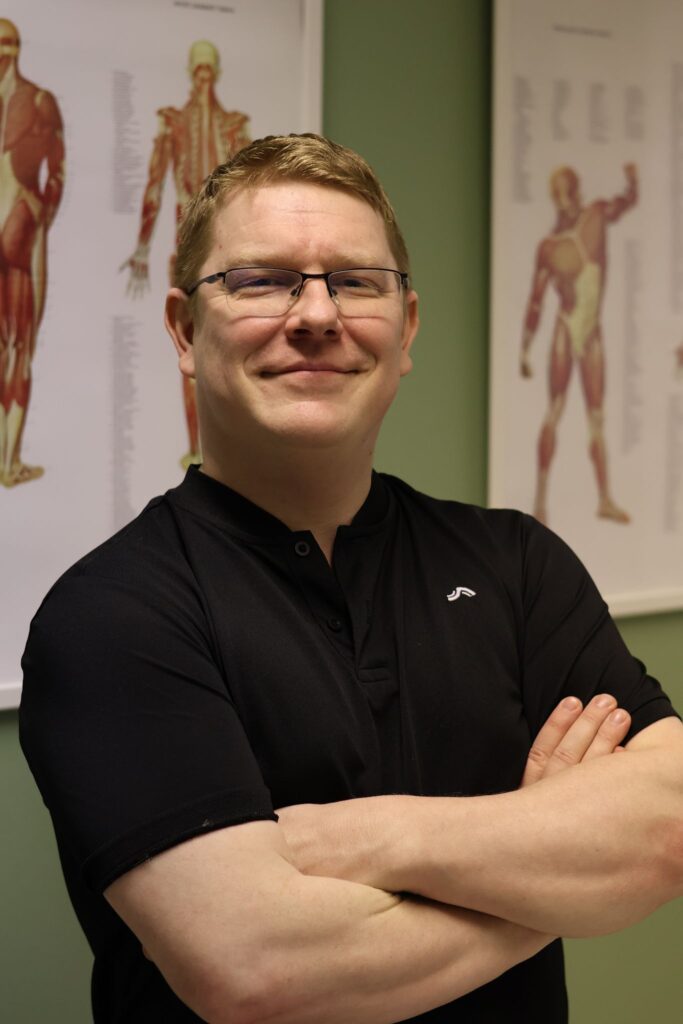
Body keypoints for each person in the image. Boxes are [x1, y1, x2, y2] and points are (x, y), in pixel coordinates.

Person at [20, 135, 682, 1023]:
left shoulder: (517, 564)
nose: (316, 314)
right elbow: (258, 973)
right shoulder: (112, 615)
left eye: (356, 282)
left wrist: (372, 835)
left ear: (405, 329)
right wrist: (552, 872)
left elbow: (668, 825)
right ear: (183, 330)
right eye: (262, 280)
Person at [121, 39, 250, 469]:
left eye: (208, 70)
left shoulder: (234, 127)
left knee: (231, 345)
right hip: (188, 249)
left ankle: (219, 452)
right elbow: (154, 186)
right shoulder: (174, 124)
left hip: (233, 258)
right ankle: (199, 450)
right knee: (194, 346)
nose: (204, 78)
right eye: (199, 70)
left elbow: (254, 197)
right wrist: (142, 248)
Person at [520, 164, 637, 526]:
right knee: (555, 410)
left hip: (591, 332)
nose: (564, 199)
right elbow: (537, 300)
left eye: (567, 190)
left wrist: (633, 180)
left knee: (596, 417)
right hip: (565, 327)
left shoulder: (596, 216)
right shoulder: (550, 247)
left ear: (576, 190)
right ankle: (540, 502)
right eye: (558, 193)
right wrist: (525, 349)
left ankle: (604, 499)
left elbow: (626, 202)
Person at [0, 18, 65, 488]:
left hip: (21, 228)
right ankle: (6, 462)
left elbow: (56, 173)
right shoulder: (37, 100)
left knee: (19, 345)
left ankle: (9, 461)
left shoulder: (39, 100)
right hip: (19, 225)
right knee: (14, 346)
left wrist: (38, 214)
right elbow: (56, 174)